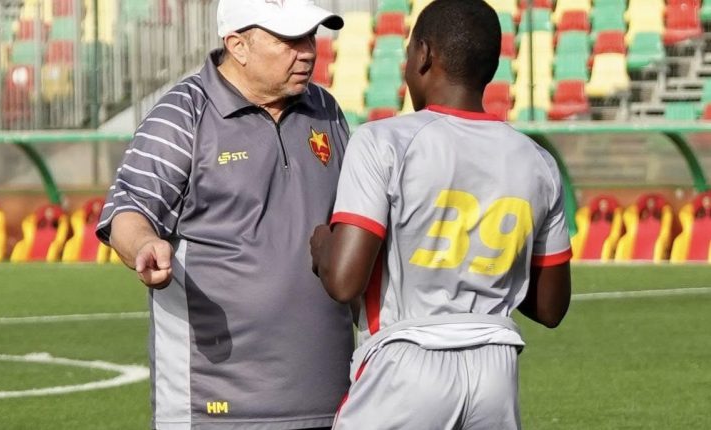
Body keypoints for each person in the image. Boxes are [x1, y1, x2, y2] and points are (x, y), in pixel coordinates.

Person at [310, 1, 572, 428]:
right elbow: (550, 307)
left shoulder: (383, 141)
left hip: (406, 361)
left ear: (424, 54)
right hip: (496, 371)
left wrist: (323, 247)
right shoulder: (538, 160)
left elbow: (343, 281)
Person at [96, 1, 354, 428]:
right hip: (214, 405)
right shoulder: (183, 113)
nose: (308, 51)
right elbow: (128, 207)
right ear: (238, 45)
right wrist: (143, 244)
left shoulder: (326, 109)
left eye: (311, 36)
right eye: (290, 40)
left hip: (329, 400)